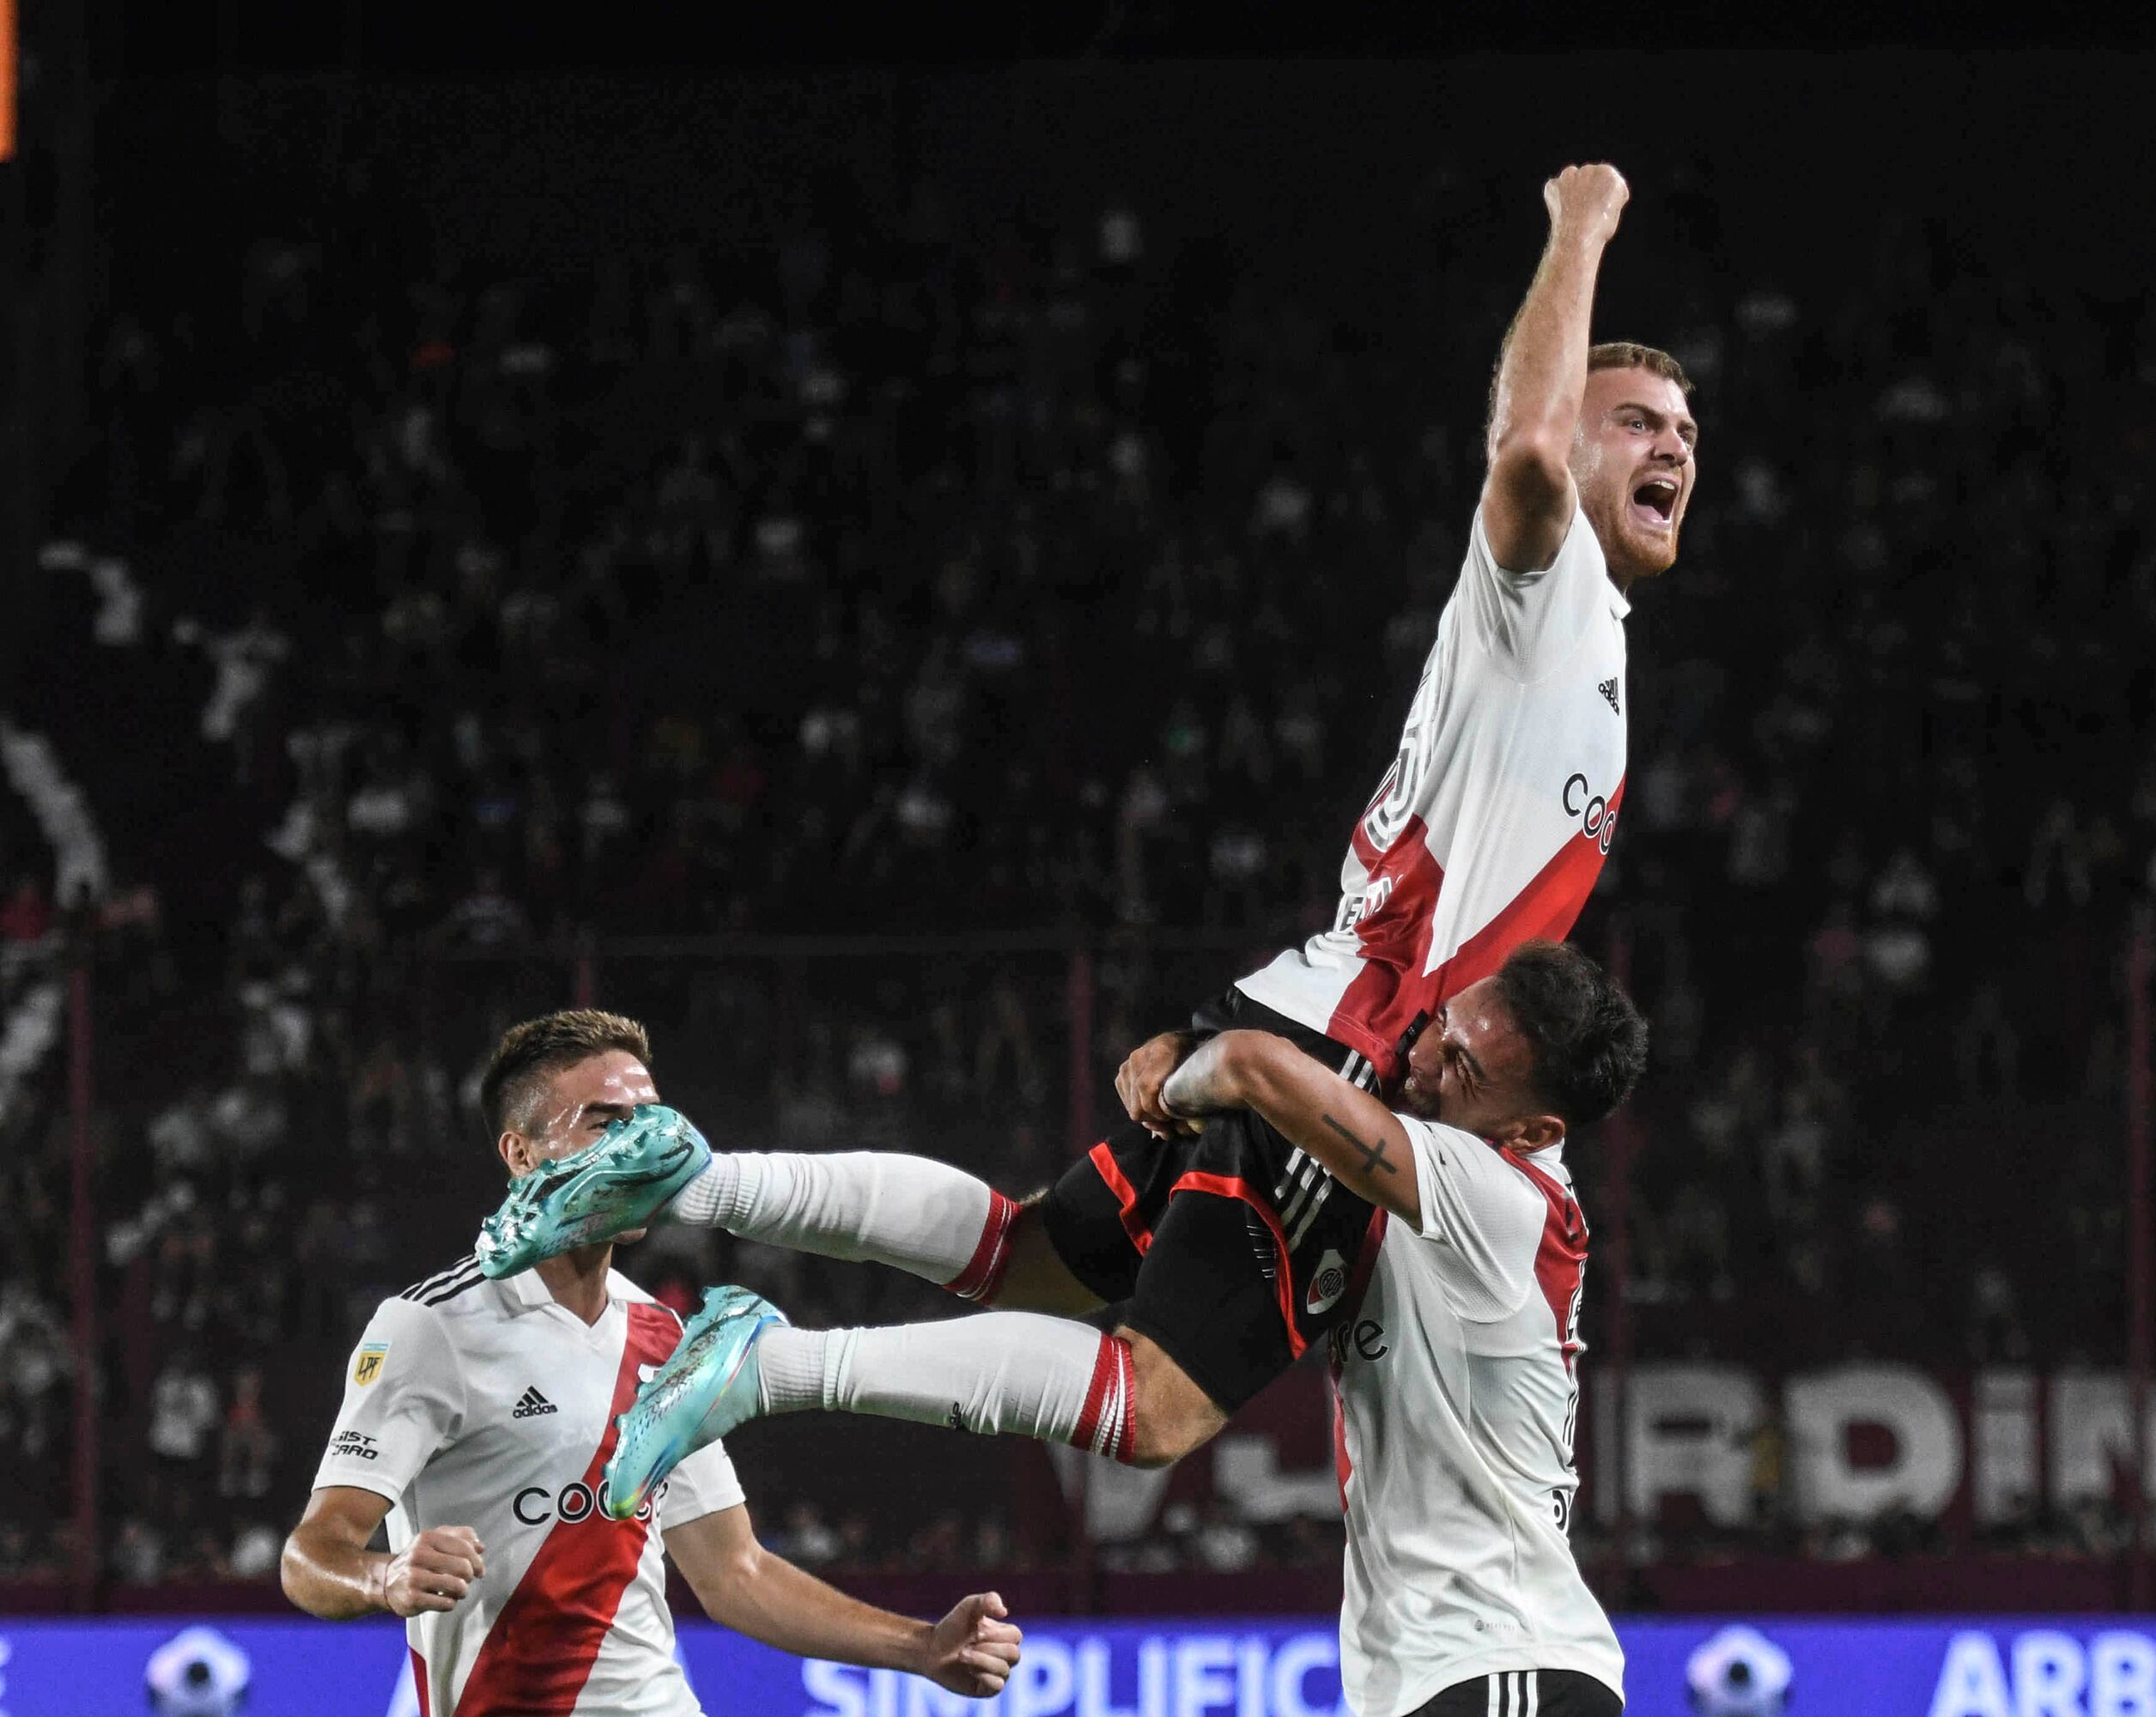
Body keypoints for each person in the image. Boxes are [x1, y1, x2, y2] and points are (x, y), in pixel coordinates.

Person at [476, 161, 1691, 1466]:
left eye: (1685, 429)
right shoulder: (1550, 591)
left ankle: (688, 1177)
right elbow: (1521, 451)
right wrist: (1584, 225)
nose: (1672, 443)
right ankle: (763, 1361)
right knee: (1160, 1404)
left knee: (1029, 1261)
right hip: (1352, 1053)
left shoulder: (1586, 641)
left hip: (1311, 1002)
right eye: (1634, 420)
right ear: (1575, 436)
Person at [609, 938, 1648, 1717]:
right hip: (1445, 1670)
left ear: (1536, 1130)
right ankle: (707, 1194)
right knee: (1037, 1265)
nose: (1424, 1061)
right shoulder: (1433, 1136)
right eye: (1442, 1028)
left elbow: (1251, 1062)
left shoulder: (1501, 1199)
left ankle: (753, 1314)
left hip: (1509, 1667)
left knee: (1138, 1385)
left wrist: (1181, 1069)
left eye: (1464, 1066)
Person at [281, 1010, 1023, 1717]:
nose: (646, 1150)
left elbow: (736, 1574)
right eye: (605, 1122)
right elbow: (312, 1554)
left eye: (651, 1121)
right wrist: (387, 1575)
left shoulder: (665, 1334)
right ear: (521, 1153)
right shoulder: (430, 1328)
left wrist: (923, 1647)